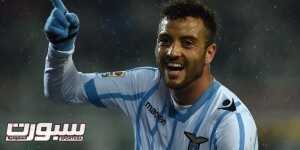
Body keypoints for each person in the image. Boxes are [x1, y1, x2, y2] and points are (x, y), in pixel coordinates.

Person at [43, 0, 258, 149]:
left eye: (188, 43)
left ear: (209, 53)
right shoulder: (142, 85)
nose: (173, 52)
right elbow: (64, 89)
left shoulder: (230, 123)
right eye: (165, 41)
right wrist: (60, 48)